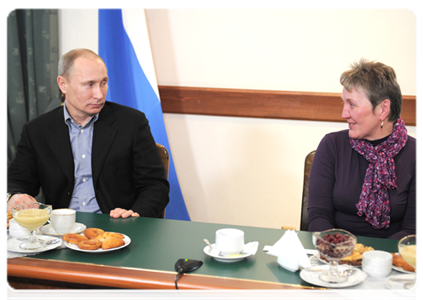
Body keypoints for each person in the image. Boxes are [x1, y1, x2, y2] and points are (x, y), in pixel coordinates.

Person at [5, 48, 169, 219]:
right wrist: (13, 197)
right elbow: (17, 182)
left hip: (117, 229)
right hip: (61, 230)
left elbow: (155, 185)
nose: (99, 94)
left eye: (103, 83)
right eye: (89, 84)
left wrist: (135, 214)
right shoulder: (37, 130)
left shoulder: (132, 123)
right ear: (63, 84)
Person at [308, 59, 419, 239]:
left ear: (383, 109)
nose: (344, 114)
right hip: (337, 254)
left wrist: (373, 259)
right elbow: (319, 216)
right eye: (344, 103)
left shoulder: (416, 156)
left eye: (352, 104)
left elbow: (414, 231)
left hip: (392, 259)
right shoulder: (332, 145)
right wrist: (342, 252)